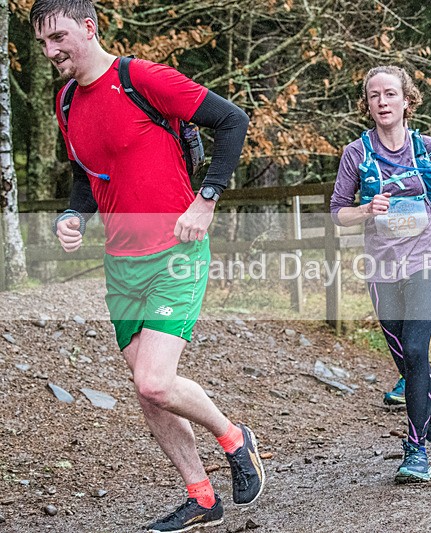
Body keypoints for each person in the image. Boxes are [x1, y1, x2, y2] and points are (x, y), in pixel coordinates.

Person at [32, 1, 264, 531]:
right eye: (43, 44)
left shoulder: (140, 78)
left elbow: (233, 120)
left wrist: (205, 201)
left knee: (156, 382)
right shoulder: (66, 100)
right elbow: (86, 176)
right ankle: (201, 496)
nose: (51, 52)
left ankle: (233, 437)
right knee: (145, 387)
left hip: (175, 252)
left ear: (89, 28)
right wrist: (73, 215)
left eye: (59, 38)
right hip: (122, 264)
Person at [330, 65, 431, 482]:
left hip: (428, 257)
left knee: (415, 349)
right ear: (367, 105)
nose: (382, 102)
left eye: (390, 94)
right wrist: (364, 210)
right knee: (404, 357)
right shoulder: (356, 154)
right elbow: (339, 212)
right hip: (382, 264)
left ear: (407, 100)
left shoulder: (429, 148)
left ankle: (416, 451)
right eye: (374, 96)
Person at [383, 189, 431, 406]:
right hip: (397, 239)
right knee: (403, 313)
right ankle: (410, 376)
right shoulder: (385, 157)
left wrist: (427, 207)